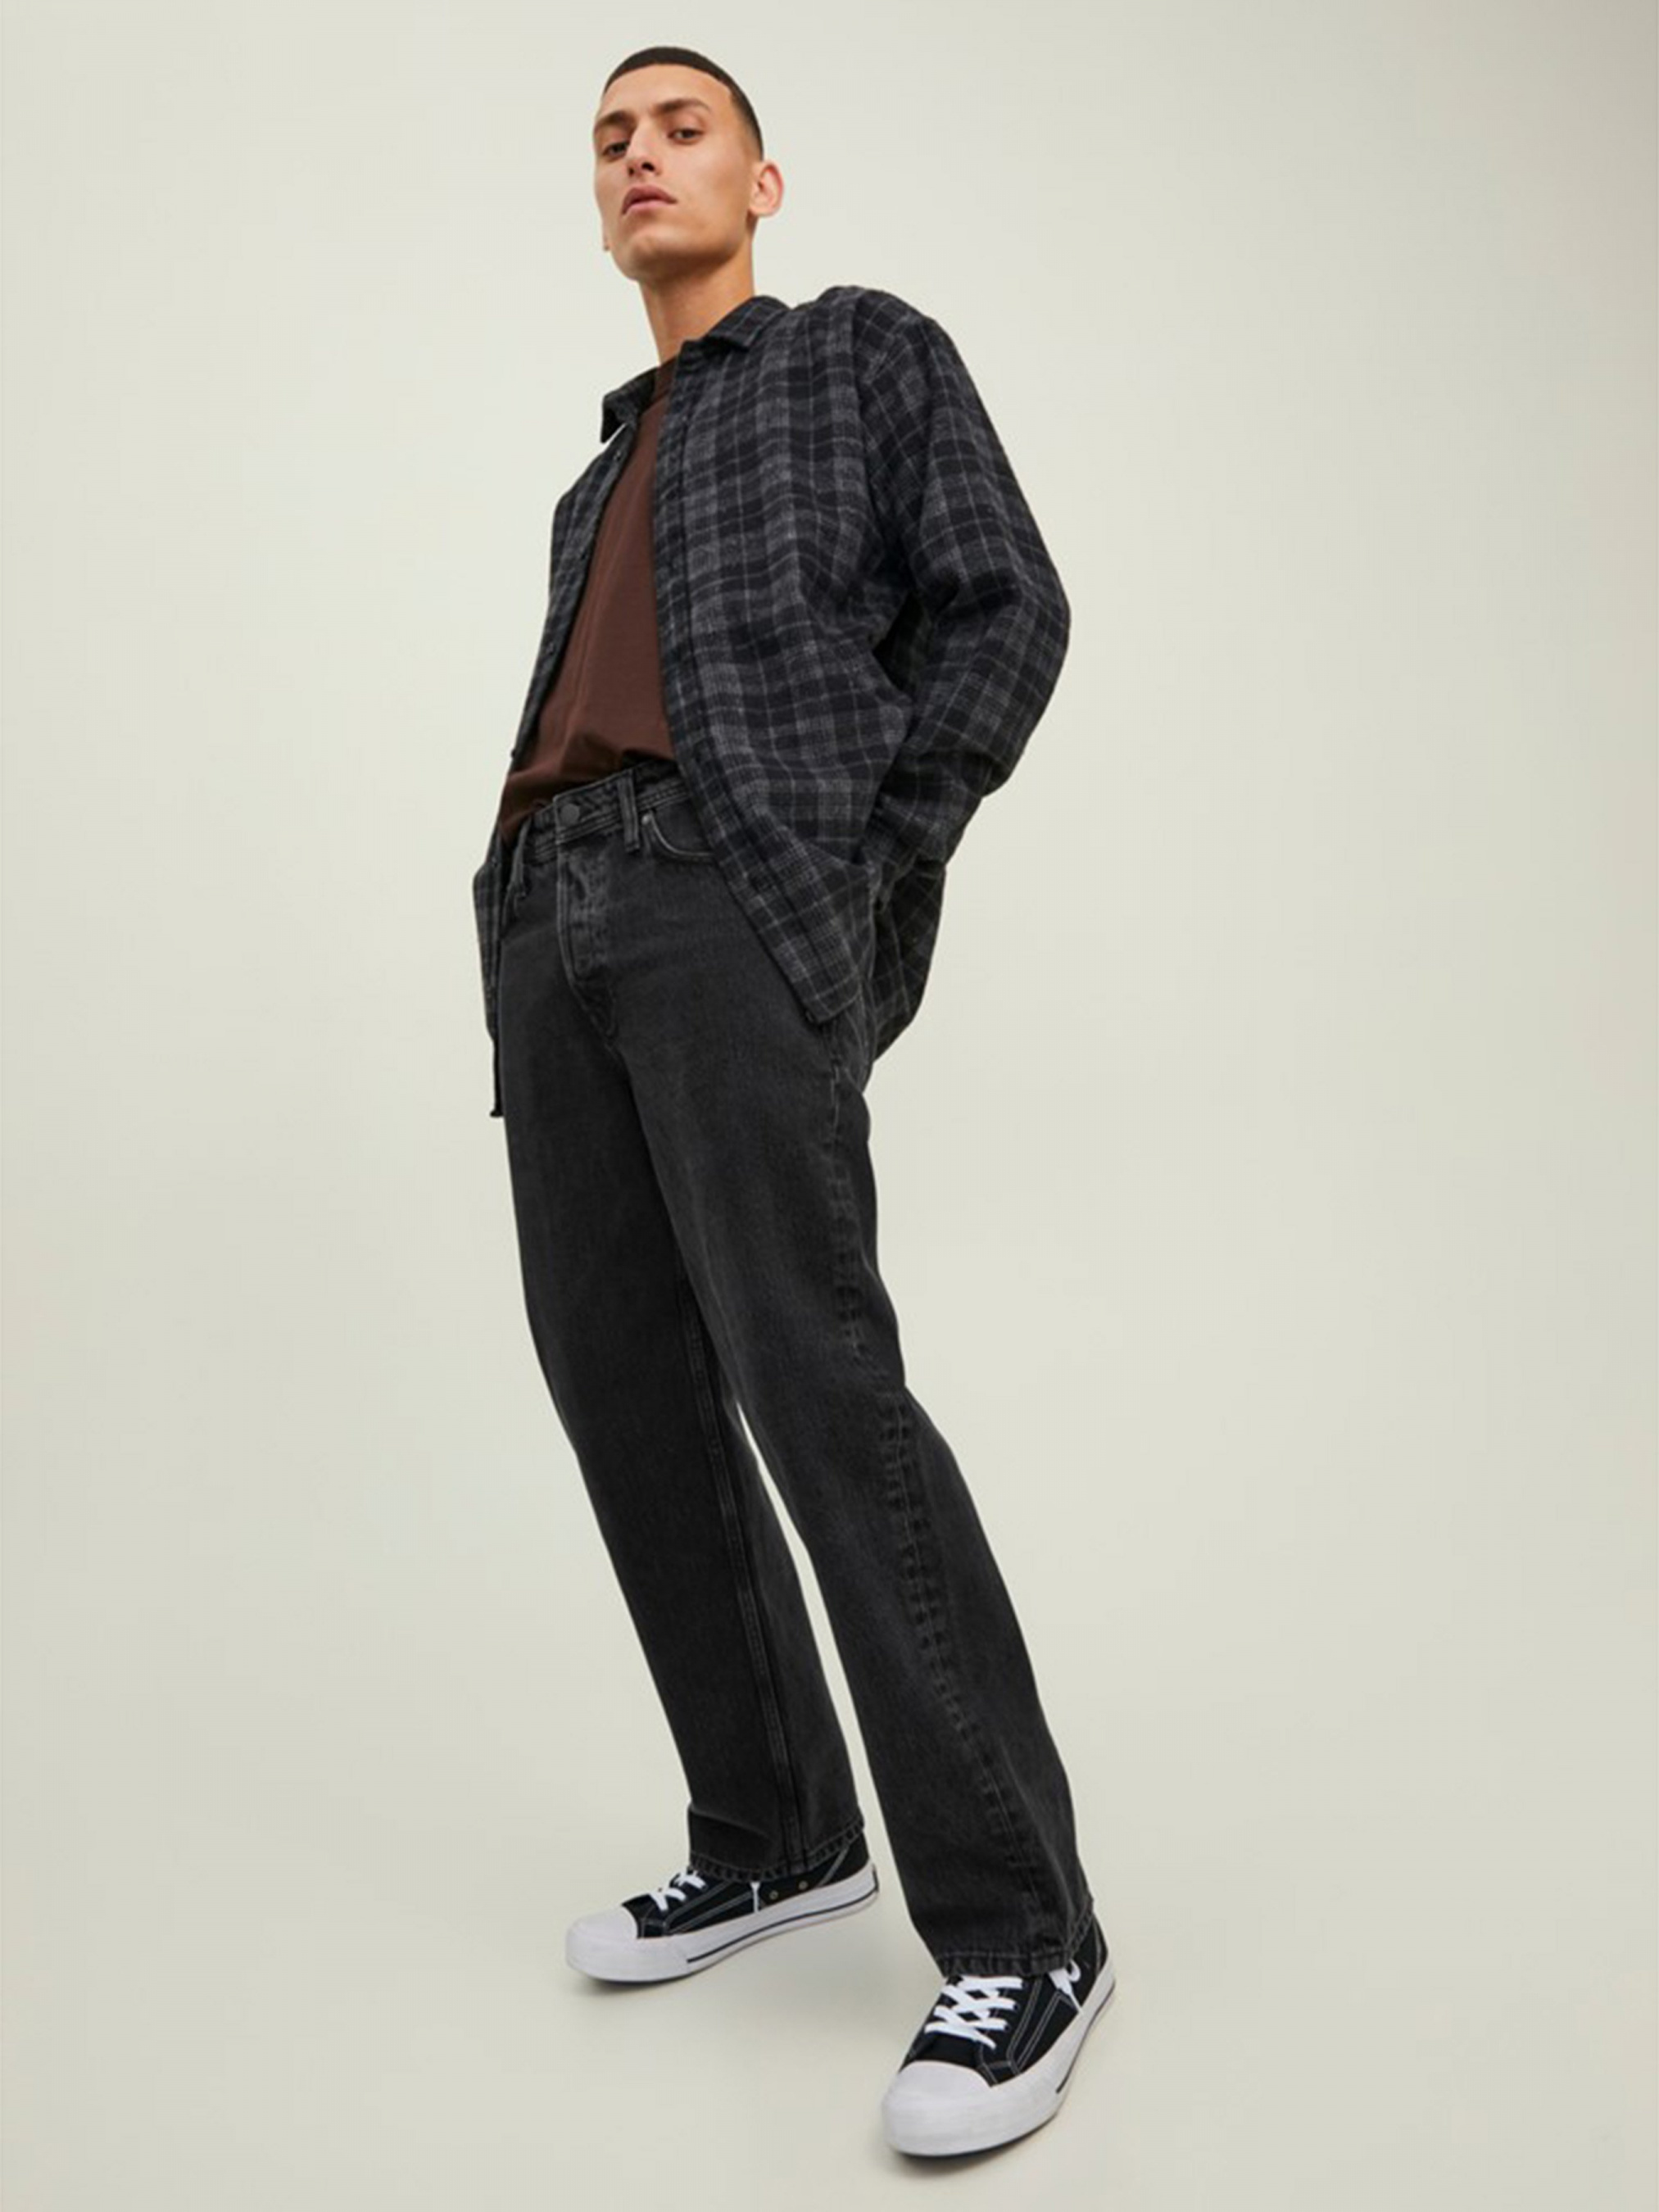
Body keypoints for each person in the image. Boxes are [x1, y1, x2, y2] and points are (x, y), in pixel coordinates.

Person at [469, 44, 1114, 2158]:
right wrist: (520, 899)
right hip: (553, 918)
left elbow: (1009, 609)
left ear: (762, 177)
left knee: (815, 1380)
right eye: (609, 141)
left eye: (679, 129)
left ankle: (1026, 1926)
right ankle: (773, 1832)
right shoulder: (596, 480)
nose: (638, 158)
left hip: (725, 895)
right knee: (623, 1388)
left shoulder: (859, 359)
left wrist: (854, 860)